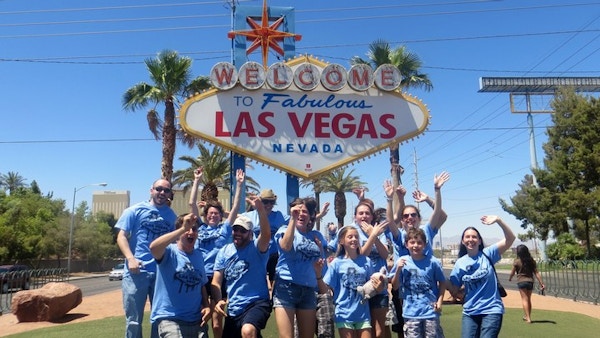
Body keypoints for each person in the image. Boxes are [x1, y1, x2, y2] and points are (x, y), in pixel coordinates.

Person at [115, 178, 177, 338]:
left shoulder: (171, 216)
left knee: (159, 318)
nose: (162, 193)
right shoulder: (134, 211)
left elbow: (174, 243)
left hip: (160, 274)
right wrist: (130, 258)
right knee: (134, 321)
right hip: (137, 273)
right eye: (159, 189)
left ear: (170, 194)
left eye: (166, 190)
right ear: (151, 190)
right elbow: (121, 236)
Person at [189, 167, 245, 338]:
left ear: (221, 216)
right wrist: (197, 181)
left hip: (218, 278)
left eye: (216, 213)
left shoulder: (225, 229)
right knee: (199, 316)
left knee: (216, 320)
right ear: (205, 215)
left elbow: (235, 207)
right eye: (210, 213)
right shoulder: (199, 227)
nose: (213, 216)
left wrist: (239, 185)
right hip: (200, 276)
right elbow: (192, 204)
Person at [211, 194, 272, 338]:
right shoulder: (224, 251)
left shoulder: (257, 248)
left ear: (250, 233)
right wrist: (219, 300)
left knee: (248, 330)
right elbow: (216, 281)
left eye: (242, 231)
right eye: (235, 229)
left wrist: (261, 210)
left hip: (257, 303)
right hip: (234, 308)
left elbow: (266, 234)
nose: (238, 233)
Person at [447, 215, 516, 338]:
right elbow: (454, 288)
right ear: (463, 241)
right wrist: (441, 282)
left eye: (474, 237)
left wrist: (498, 220)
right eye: (467, 237)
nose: (471, 239)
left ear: (479, 241)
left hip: (491, 310)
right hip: (470, 312)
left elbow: (510, 238)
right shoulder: (460, 263)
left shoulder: (488, 254)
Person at [149, 213, 211, 338]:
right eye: (187, 229)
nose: (191, 232)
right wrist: (183, 228)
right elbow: (153, 248)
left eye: (194, 229)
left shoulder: (199, 255)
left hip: (196, 320)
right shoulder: (169, 252)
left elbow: (202, 284)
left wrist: (206, 306)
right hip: (170, 319)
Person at [321, 224, 386, 338]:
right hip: (344, 313)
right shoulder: (336, 263)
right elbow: (327, 286)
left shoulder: (366, 261)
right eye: (350, 237)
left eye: (356, 237)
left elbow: (372, 285)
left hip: (363, 313)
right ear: (341, 241)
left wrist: (379, 286)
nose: (354, 239)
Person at [272, 197, 323, 338]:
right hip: (286, 288)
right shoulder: (284, 230)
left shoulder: (316, 236)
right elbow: (286, 246)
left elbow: (322, 261)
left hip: (308, 289)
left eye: (305, 211)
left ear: (311, 215)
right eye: (298, 211)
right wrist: (292, 221)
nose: (301, 214)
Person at [390, 228, 446, 338]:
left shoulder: (433, 262)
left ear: (425, 245)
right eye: (412, 242)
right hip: (411, 313)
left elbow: (442, 282)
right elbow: (395, 285)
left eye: (419, 242)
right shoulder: (402, 261)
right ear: (406, 244)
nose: (416, 245)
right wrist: (398, 270)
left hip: (430, 312)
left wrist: (439, 302)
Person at [243, 188, 288, 289]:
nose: (268, 205)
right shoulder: (250, 216)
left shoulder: (279, 216)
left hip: (274, 255)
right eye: (265, 202)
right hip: (257, 254)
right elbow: (234, 217)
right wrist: (218, 211)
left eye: (271, 202)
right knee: (257, 280)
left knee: (274, 281)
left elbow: (297, 220)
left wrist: (319, 215)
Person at [508, 244, 545, 323]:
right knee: (528, 299)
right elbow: (536, 273)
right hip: (530, 281)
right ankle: (527, 316)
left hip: (521, 281)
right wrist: (541, 283)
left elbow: (512, 272)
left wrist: (510, 278)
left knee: (524, 299)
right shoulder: (531, 261)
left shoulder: (517, 261)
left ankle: (528, 318)